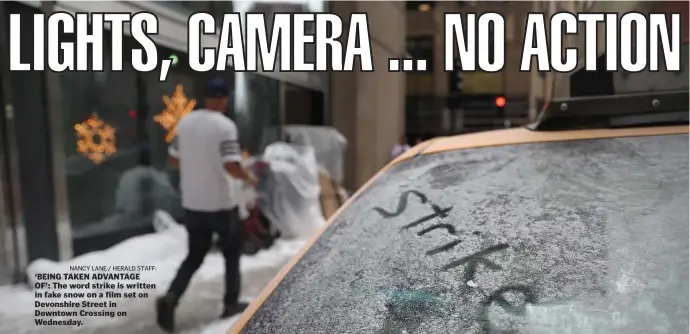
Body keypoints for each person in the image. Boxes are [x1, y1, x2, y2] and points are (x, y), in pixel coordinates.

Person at [156, 77, 258, 332]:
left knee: (194, 255)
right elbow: (231, 165)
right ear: (224, 99)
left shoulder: (185, 123)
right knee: (231, 254)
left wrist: (196, 163)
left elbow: (173, 160)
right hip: (221, 203)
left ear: (205, 97)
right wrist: (248, 177)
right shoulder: (225, 127)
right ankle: (231, 303)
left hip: (193, 204)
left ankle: (171, 298)